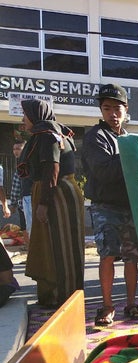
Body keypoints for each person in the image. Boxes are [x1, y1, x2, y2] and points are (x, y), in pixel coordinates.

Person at [83, 83, 138, 325]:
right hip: (105, 206)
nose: (112, 113)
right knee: (108, 255)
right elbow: (105, 172)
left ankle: (131, 303)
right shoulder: (95, 137)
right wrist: (131, 155)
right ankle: (107, 306)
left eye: (117, 108)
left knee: (131, 258)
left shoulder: (128, 139)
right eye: (107, 108)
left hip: (131, 206)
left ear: (126, 109)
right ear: (101, 110)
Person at [17, 99, 84, 308]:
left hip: (55, 194)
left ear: (35, 115)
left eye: (25, 114)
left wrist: (44, 203)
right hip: (64, 190)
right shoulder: (58, 133)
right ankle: (67, 294)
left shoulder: (45, 136)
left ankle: (59, 296)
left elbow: (51, 169)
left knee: (55, 245)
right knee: (65, 244)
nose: (22, 119)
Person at [9, 140, 29, 235]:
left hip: (25, 202)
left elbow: (16, 187)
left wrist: (13, 204)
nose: (15, 151)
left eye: (18, 149)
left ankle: (29, 247)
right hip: (28, 201)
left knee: (25, 226)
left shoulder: (22, 165)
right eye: (14, 149)